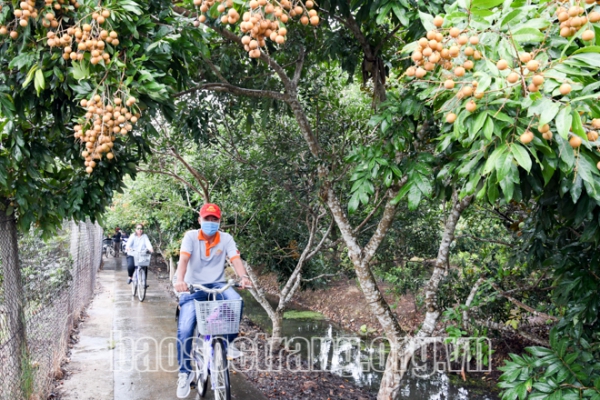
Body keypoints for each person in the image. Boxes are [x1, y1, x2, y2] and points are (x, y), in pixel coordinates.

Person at [173, 203, 251, 399]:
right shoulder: (191, 237)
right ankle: (185, 372)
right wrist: (180, 281)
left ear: (219, 221)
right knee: (185, 329)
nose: (210, 222)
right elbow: (183, 261)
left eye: (214, 219)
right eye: (207, 219)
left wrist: (243, 277)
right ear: (200, 220)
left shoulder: (226, 239)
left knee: (236, 301)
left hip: (217, 285)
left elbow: (235, 259)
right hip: (192, 287)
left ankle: (226, 343)